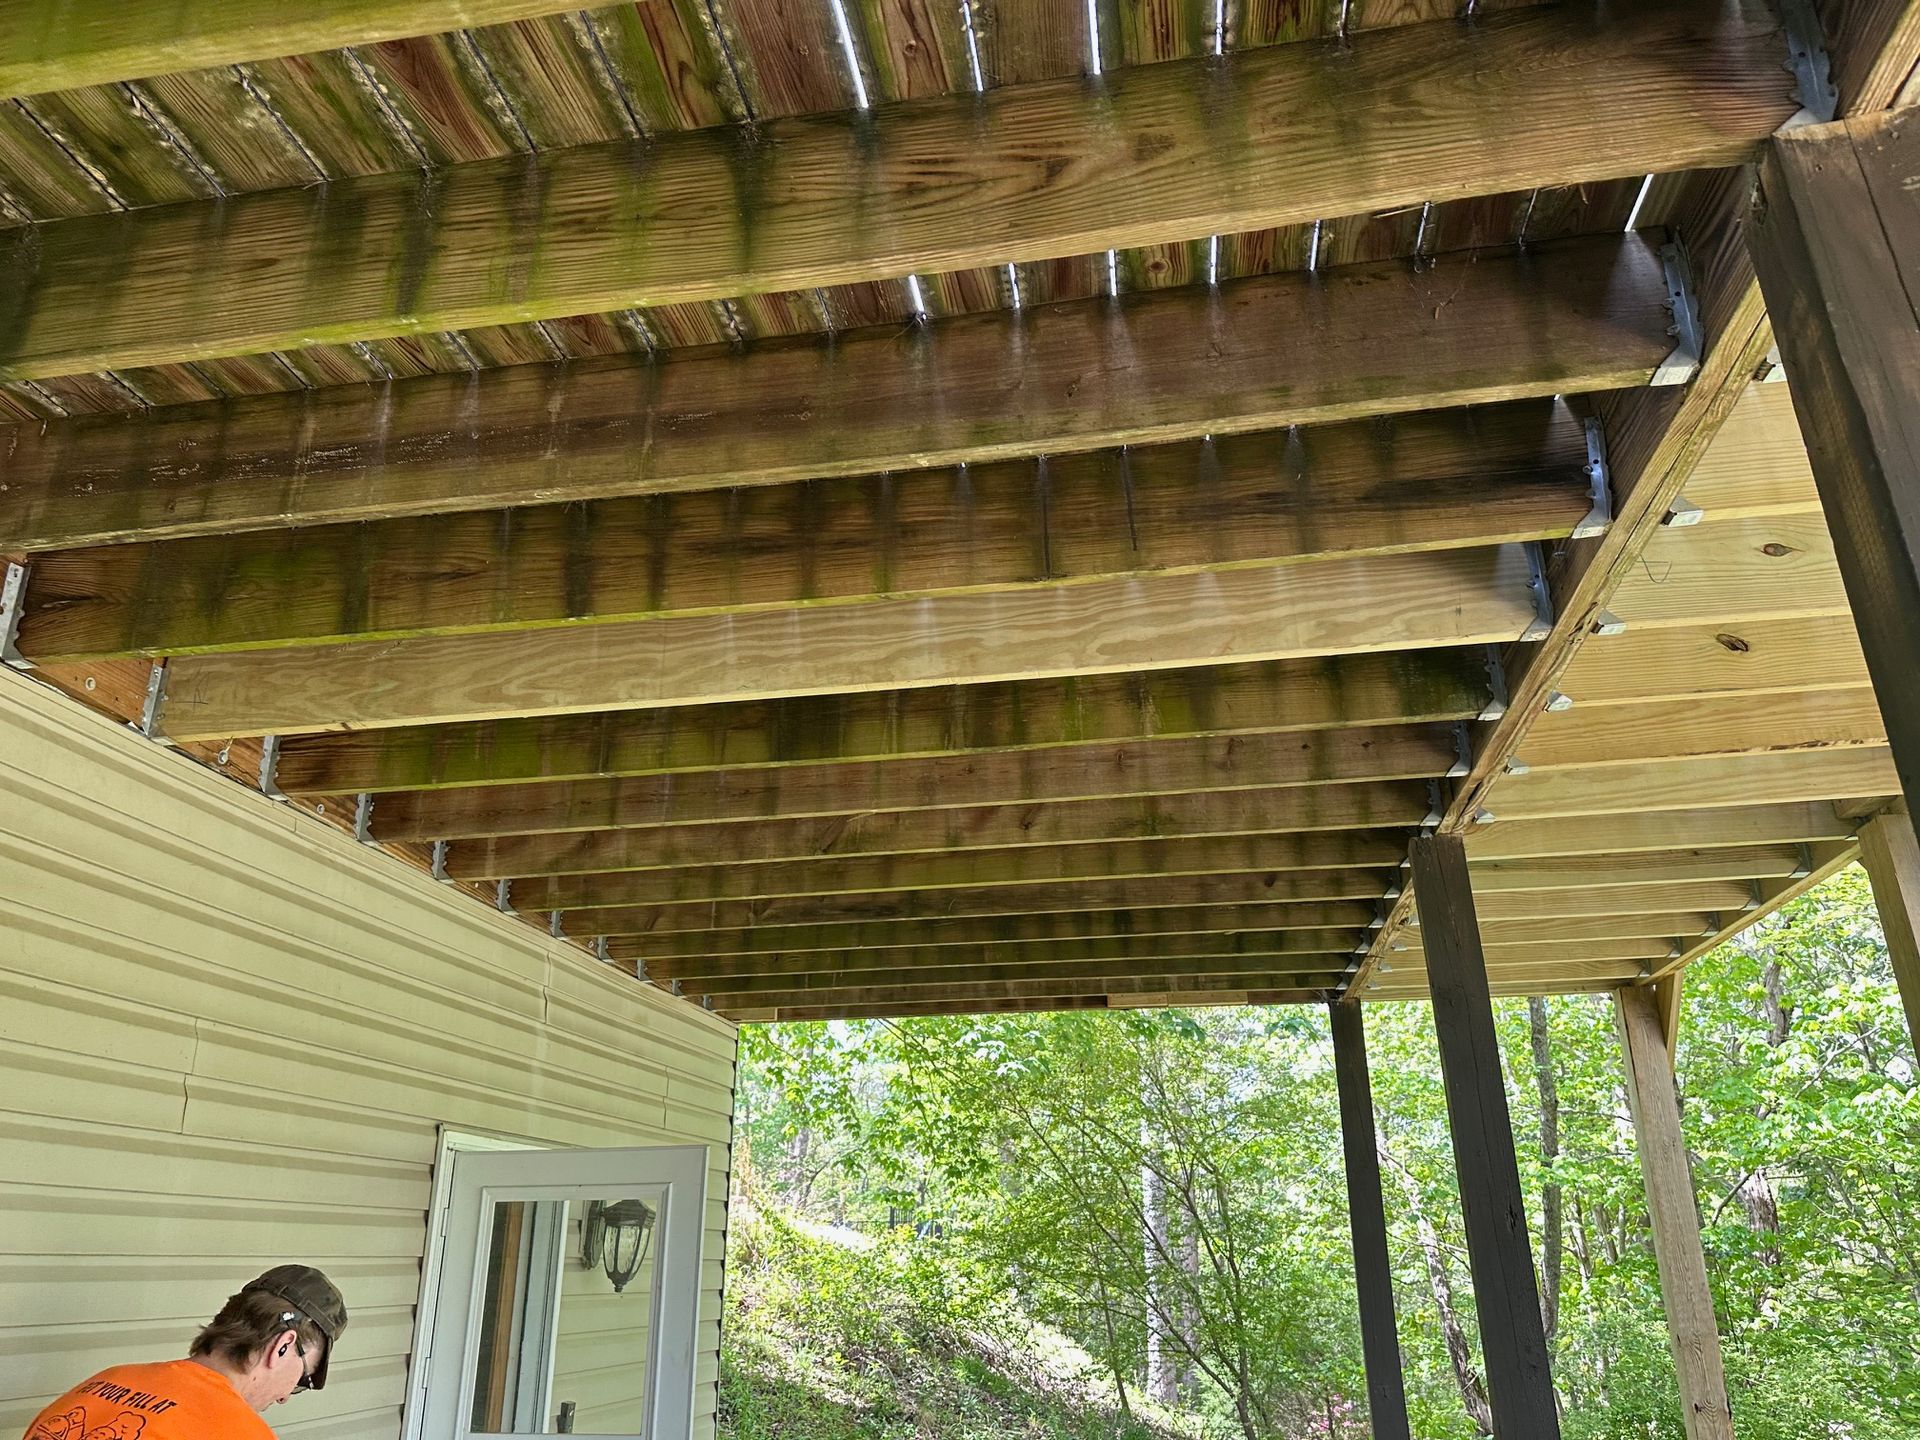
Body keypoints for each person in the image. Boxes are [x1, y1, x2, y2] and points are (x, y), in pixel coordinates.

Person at [22, 1266, 348, 1440]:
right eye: (301, 1379)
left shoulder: (101, 1385)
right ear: (283, 1347)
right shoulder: (240, 1434)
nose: (284, 1398)